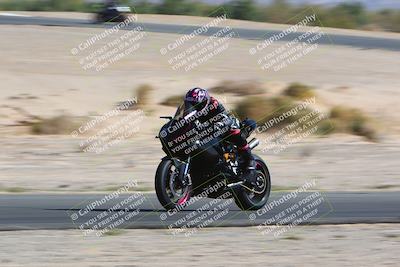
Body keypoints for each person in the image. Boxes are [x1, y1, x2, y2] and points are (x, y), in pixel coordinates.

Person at [183, 87, 257, 184]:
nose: (193, 106)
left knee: (233, 129)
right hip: (206, 133)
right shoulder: (191, 111)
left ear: (204, 102)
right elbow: (184, 119)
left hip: (224, 124)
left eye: (195, 104)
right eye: (190, 104)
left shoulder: (213, 104)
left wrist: (216, 125)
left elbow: (224, 118)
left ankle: (249, 161)